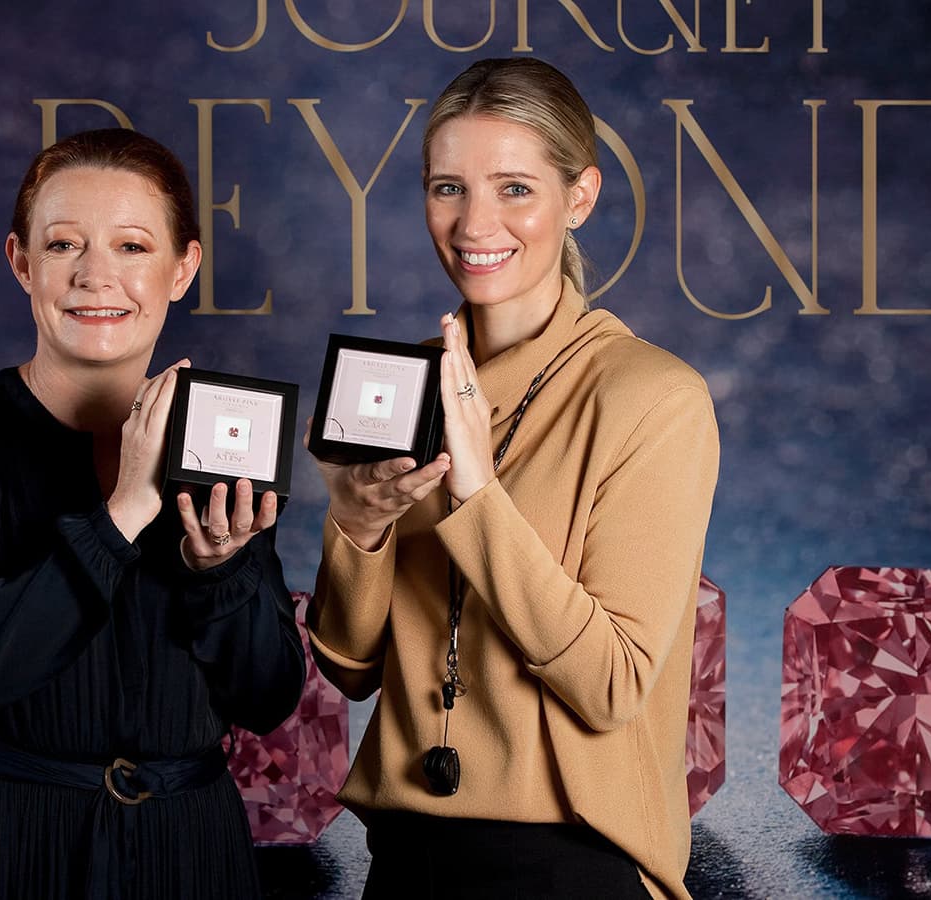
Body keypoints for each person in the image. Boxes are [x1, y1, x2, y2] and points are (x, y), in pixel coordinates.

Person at [306, 59, 720, 899]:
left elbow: (609, 687)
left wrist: (476, 494)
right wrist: (355, 527)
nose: (474, 223)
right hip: (408, 856)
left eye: (515, 189)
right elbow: (349, 670)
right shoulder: (405, 383)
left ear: (581, 196)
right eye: (448, 187)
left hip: (573, 860)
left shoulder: (654, 396)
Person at [0, 128, 305, 899]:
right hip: (0, 847)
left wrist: (222, 571)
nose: (95, 276)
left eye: (133, 246)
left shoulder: (225, 433)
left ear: (184, 268)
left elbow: (268, 698)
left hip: (191, 852)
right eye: (63, 244)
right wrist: (123, 515)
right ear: (21, 262)